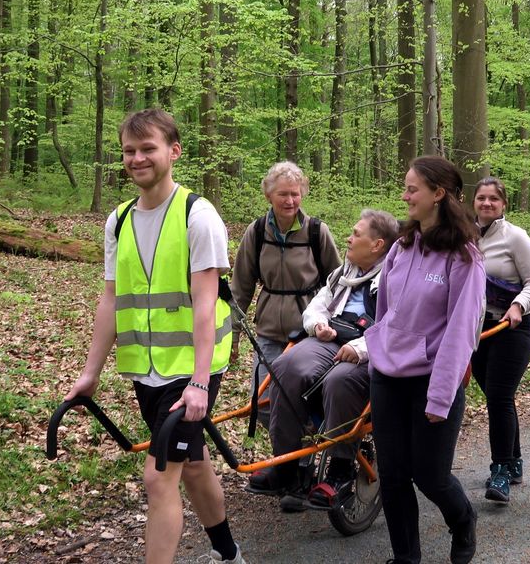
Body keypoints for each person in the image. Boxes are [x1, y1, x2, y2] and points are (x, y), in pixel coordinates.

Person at [64, 109, 247, 564]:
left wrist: (201, 383)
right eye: (129, 150)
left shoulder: (198, 216)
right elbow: (111, 299)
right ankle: (229, 555)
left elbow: (205, 305)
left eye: (148, 149)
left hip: (190, 370)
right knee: (194, 466)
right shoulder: (119, 220)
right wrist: (91, 373)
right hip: (145, 370)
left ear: (174, 151)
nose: (137, 158)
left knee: (159, 474)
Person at [365, 156, 485, 564]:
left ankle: (463, 519)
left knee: (430, 476)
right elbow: (384, 311)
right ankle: (406, 558)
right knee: (394, 476)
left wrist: (440, 396)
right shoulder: (401, 245)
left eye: (412, 188)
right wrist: (375, 355)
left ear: (438, 194)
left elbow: (460, 333)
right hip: (387, 378)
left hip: (432, 381)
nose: (404, 195)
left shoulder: (464, 257)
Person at [246, 209, 399, 511]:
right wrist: (317, 325)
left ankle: (340, 472)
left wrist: (359, 348)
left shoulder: (395, 278)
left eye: (356, 233)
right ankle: (286, 466)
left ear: (378, 244)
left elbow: (396, 326)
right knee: (285, 367)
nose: (349, 237)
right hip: (330, 338)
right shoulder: (344, 272)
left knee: (340, 381)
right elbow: (317, 305)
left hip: (370, 347)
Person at [230, 162, 341, 427]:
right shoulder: (256, 232)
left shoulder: (316, 232)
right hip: (268, 332)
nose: (290, 200)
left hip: (308, 335)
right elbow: (240, 288)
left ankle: (300, 465)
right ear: (268, 195)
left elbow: (338, 284)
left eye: (295, 193)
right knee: (263, 403)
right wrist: (232, 336)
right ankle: (284, 461)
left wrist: (335, 329)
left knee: (303, 403)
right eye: (283, 194)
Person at [470, 177, 530, 504]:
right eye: (481, 198)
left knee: (499, 396)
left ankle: (500, 470)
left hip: (512, 329)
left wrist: (518, 306)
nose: (487, 204)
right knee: (497, 395)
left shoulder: (516, 237)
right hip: (477, 331)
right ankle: (514, 463)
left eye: (493, 200)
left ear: (503, 205)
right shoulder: (466, 237)